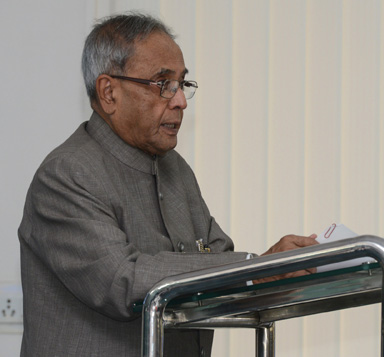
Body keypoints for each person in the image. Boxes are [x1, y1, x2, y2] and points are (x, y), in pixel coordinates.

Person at [18, 12, 317, 357]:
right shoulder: (65, 175)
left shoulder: (176, 170)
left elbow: (221, 261)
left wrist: (281, 272)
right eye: (163, 84)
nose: (180, 101)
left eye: (182, 84)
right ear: (109, 92)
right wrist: (255, 268)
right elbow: (122, 281)